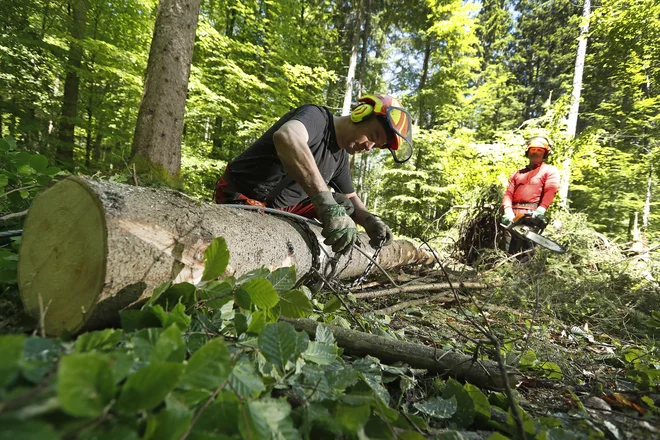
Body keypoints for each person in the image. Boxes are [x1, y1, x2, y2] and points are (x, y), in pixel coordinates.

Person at [214, 94, 413, 254]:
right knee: (332, 202)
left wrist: (371, 221)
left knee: (343, 204)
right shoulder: (317, 117)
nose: (369, 147)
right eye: (373, 136)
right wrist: (324, 202)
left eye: (376, 146)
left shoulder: (340, 158)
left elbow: (352, 198)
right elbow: (287, 136)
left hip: (278, 208)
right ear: (361, 113)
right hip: (239, 194)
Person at [501, 136, 560, 255]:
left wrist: (541, 209)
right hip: (513, 214)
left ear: (545, 153)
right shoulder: (518, 174)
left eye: (539, 150)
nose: (536, 153)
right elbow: (508, 193)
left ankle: (526, 272)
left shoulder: (550, 170)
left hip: (531, 214)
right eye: (533, 150)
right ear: (528, 152)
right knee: (508, 249)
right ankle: (506, 271)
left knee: (526, 250)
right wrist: (508, 211)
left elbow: (551, 190)